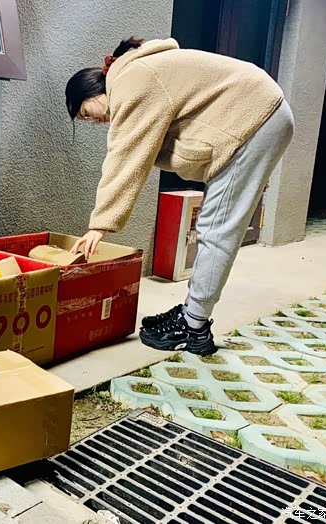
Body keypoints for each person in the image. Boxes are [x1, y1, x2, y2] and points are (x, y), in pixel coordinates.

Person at [66, 37, 294, 356]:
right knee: (215, 226)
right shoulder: (138, 73)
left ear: (93, 91)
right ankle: (191, 313)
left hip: (254, 120)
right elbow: (151, 147)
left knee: (216, 230)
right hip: (257, 116)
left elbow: (125, 156)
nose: (94, 121)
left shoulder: (131, 81)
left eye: (86, 113)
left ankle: (194, 326)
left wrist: (100, 224)